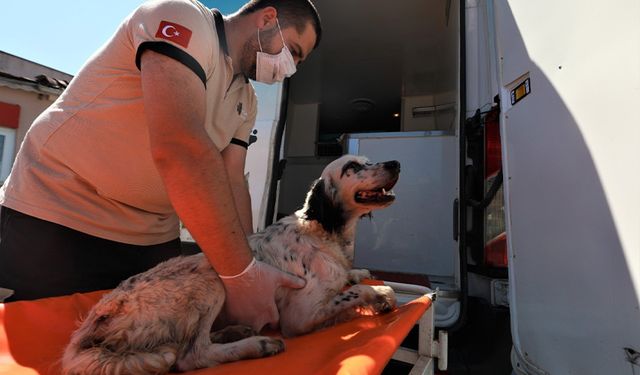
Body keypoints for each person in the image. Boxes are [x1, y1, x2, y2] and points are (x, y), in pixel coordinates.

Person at [0, 0, 322, 332]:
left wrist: (255, 262)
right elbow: (180, 146)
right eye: (293, 51)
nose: (290, 67)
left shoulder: (247, 101)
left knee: (148, 350)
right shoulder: (181, 17)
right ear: (267, 18)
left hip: (150, 241)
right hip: (59, 222)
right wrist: (242, 275)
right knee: (47, 343)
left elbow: (233, 181)